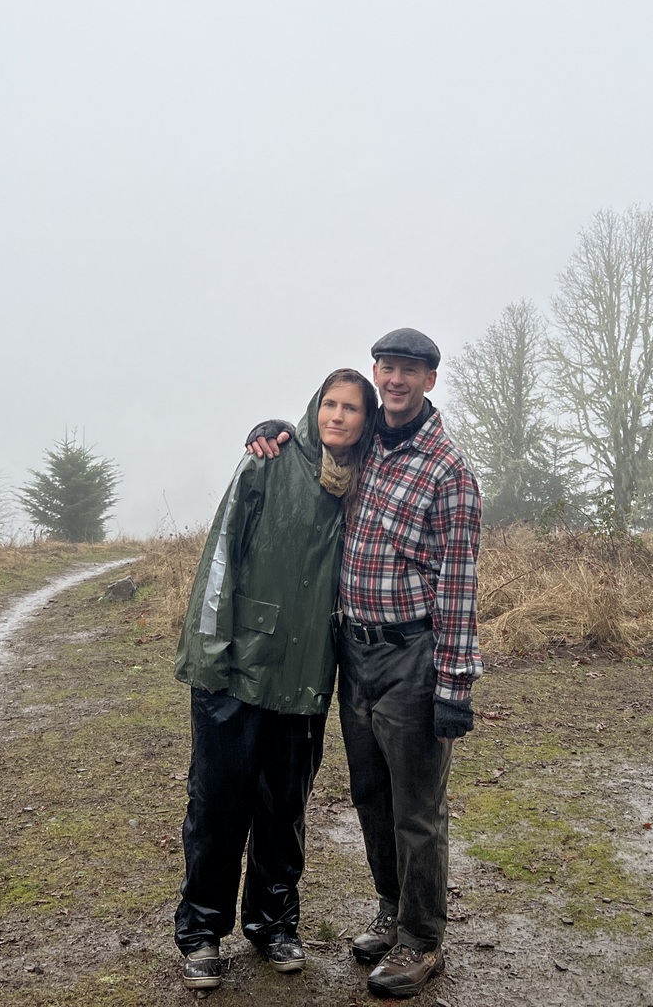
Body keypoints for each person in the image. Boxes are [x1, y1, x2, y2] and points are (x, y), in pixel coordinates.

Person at [248, 327, 482, 999]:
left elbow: (458, 585)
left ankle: (422, 940)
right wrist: (275, 431)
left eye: (410, 370)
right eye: (387, 367)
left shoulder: (449, 472)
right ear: (377, 373)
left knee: (416, 808)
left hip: (413, 656)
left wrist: (454, 685)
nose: (396, 379)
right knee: (370, 795)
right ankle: (391, 908)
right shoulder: (370, 441)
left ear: (430, 380)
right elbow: (323, 433)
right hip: (355, 652)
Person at [173, 368, 379, 992]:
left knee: (283, 809)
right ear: (315, 408)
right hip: (236, 669)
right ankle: (202, 932)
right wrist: (209, 656)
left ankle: (273, 924)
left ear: (366, 420)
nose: (337, 416)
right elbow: (221, 556)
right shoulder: (270, 461)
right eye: (330, 404)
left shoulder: (365, 482)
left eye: (351, 408)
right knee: (217, 805)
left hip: (306, 675)